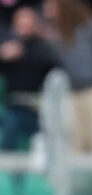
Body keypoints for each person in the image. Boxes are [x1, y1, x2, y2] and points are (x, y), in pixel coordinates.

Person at [43, 0, 92, 154]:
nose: (47, 9)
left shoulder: (90, 24)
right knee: (76, 145)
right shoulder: (57, 33)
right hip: (72, 93)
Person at [0, 6, 57, 151]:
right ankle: (10, 170)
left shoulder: (43, 47)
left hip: (39, 108)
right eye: (21, 23)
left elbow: (52, 64)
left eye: (28, 22)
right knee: (9, 127)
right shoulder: (8, 46)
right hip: (14, 107)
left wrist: (23, 52)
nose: (24, 27)